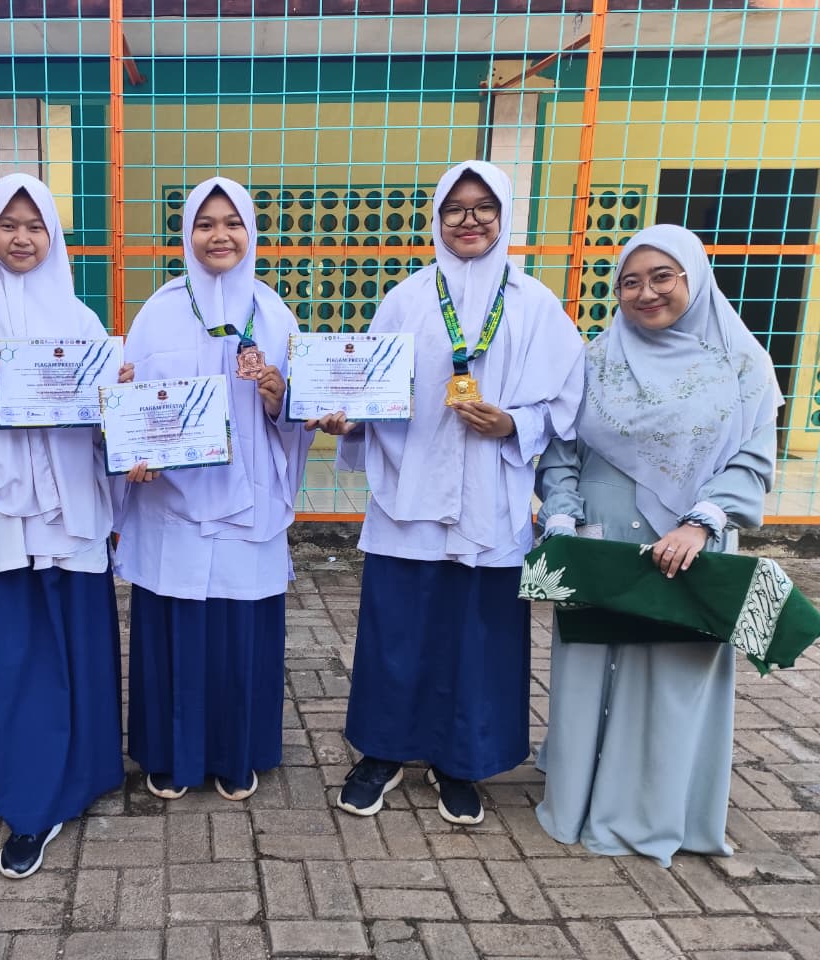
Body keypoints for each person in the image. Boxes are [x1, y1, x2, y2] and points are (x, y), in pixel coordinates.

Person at [316, 160, 585, 825]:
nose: (470, 220)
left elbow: (565, 402)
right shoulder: (406, 299)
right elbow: (371, 391)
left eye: (484, 207)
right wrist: (349, 420)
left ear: (505, 215)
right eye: (455, 208)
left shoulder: (535, 304)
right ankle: (382, 753)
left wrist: (512, 423)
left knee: (477, 637)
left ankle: (459, 760)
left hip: (490, 497)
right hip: (409, 491)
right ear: (436, 218)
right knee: (397, 631)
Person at [535, 223, 781, 865]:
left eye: (662, 277)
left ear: (694, 278)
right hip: (601, 540)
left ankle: (654, 811)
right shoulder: (593, 360)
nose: (645, 293)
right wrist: (561, 517)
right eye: (630, 282)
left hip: (690, 542)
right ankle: (578, 796)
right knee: (590, 670)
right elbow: (560, 449)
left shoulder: (742, 364)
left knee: (673, 678)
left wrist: (701, 522)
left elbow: (753, 459)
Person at [0, 174, 126, 879]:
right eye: (8, 224)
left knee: (80, 651)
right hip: (4, 521)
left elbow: (105, 431)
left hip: (72, 517)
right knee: (16, 662)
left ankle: (87, 775)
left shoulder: (82, 321)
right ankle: (31, 804)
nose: (21, 238)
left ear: (53, 234)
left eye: (35, 225)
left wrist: (122, 410)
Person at [114, 177, 313, 802]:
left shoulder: (274, 313)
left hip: (250, 501)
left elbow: (299, 414)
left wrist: (280, 398)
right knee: (174, 629)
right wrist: (133, 454)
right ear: (187, 233)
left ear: (250, 233)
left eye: (232, 223)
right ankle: (169, 755)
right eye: (205, 223)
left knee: (240, 634)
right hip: (172, 504)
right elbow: (129, 403)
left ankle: (237, 753)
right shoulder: (158, 311)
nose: (218, 235)